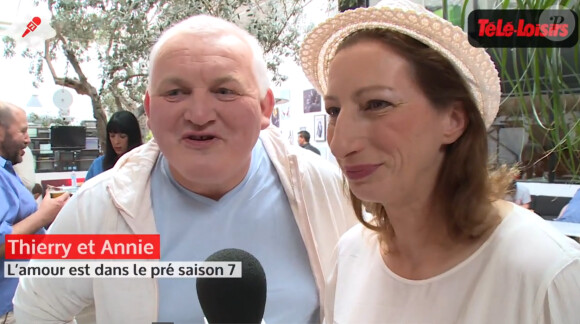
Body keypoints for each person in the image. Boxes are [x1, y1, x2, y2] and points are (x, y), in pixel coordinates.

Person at [14, 15, 356, 323]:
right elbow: (36, 310)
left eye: (225, 91)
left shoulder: (326, 191)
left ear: (265, 106)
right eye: (175, 92)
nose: (200, 114)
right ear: (149, 108)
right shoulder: (99, 207)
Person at [299, 0, 580, 322]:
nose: (340, 142)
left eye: (377, 104)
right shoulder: (351, 254)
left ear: (453, 119)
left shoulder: (545, 272)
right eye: (334, 111)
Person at [0, 101, 69, 324]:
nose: (28, 139)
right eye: (22, 131)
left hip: (37, 298)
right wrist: (43, 215)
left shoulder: (8, 172)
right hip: (14, 308)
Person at [85, 110, 143, 181]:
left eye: (122, 136)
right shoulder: (98, 165)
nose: (116, 142)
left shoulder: (144, 164)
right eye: (112, 136)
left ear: (133, 137)